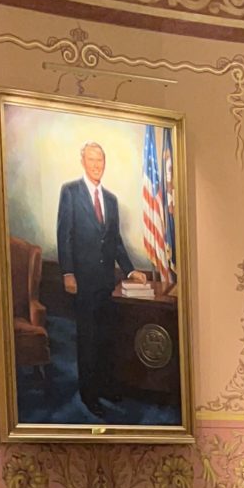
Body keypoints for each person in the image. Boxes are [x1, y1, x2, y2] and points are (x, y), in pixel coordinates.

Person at [56, 141, 147, 417]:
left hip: (107, 282)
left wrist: (130, 270)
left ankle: (106, 385)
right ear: (82, 161)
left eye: (101, 161)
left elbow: (116, 242)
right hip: (82, 281)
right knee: (88, 338)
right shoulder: (70, 192)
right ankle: (89, 394)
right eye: (92, 160)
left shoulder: (110, 200)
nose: (97, 166)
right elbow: (64, 235)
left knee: (107, 337)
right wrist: (68, 273)